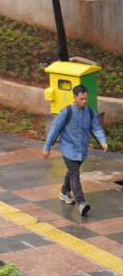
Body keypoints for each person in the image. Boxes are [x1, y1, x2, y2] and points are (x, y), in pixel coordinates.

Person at [42, 85, 108, 216]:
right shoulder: (66, 112)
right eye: (81, 99)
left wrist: (103, 140)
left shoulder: (90, 112)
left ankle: (64, 192)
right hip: (68, 148)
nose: (84, 101)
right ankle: (81, 202)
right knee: (75, 174)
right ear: (74, 97)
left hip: (82, 150)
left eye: (86, 98)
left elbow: (96, 127)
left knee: (72, 172)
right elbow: (54, 130)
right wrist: (47, 147)